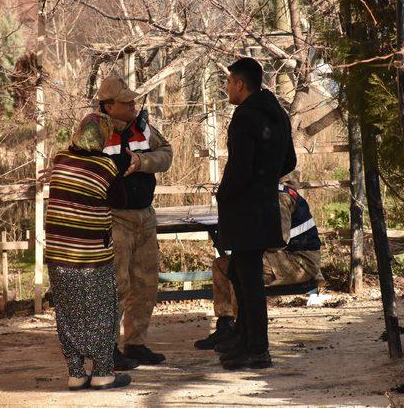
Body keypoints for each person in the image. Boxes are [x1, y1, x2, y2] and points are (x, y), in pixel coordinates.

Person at [215, 57, 297, 370]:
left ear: (240, 84)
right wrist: (267, 178)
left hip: (245, 208)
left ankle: (258, 349)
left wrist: (225, 193)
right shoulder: (277, 113)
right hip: (265, 205)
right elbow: (288, 161)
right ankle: (243, 339)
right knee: (239, 272)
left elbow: (239, 168)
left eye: (228, 83)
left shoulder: (244, 117)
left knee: (249, 281)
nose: (227, 89)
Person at [45, 112, 131, 390]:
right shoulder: (105, 166)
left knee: (68, 311)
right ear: (104, 138)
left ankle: (76, 372)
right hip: (91, 253)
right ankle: (103, 372)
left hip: (59, 253)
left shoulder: (59, 159)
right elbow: (120, 200)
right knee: (103, 309)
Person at [97, 77, 173, 369]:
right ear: (108, 105)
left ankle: (136, 344)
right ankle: (108, 349)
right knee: (115, 286)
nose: (132, 105)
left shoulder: (142, 129)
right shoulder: (95, 131)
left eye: (132, 101)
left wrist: (143, 162)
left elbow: (166, 154)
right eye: (125, 101)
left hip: (145, 216)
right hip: (112, 217)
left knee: (146, 283)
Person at [194, 179, 324, 350]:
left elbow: (278, 240)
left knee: (243, 269)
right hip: (283, 257)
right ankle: (225, 326)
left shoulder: (279, 196)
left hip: (301, 261)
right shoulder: (266, 191)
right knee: (221, 265)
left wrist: (245, 236)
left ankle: (243, 331)